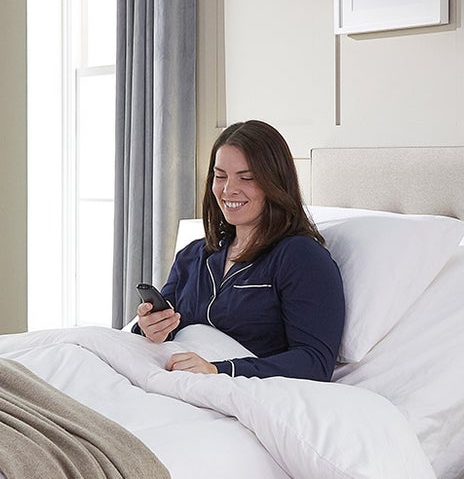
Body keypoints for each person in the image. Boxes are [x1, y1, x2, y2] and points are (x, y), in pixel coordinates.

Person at [136, 119, 345, 380]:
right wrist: (149, 328)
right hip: (168, 378)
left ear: (275, 183)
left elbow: (314, 362)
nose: (228, 190)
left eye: (246, 178)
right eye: (220, 176)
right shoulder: (193, 256)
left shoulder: (301, 258)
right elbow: (164, 332)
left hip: (229, 392)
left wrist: (218, 370)